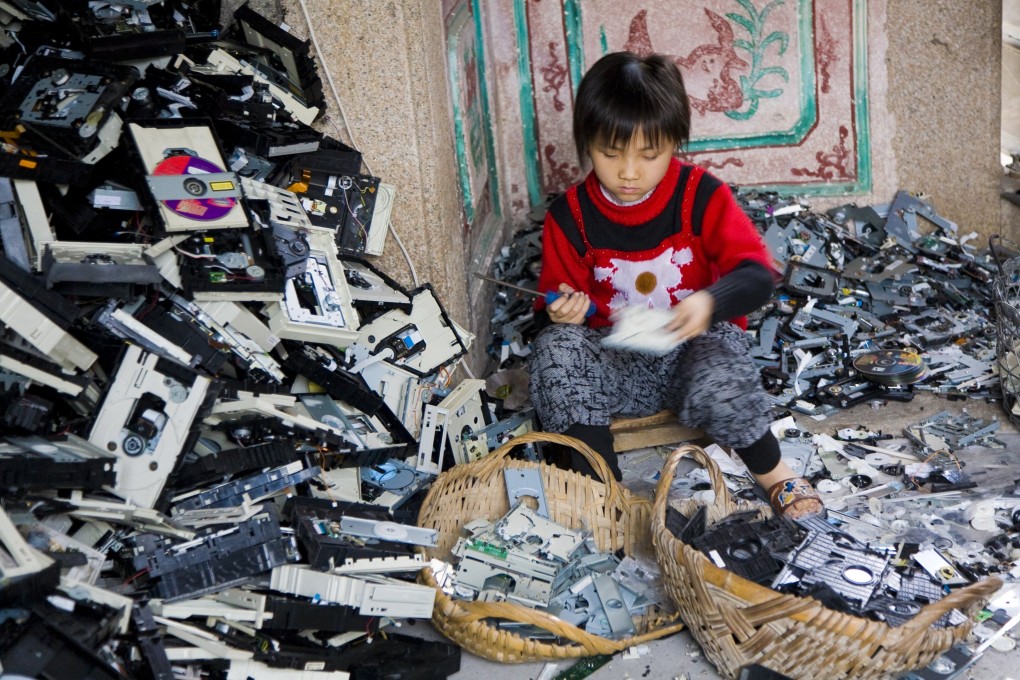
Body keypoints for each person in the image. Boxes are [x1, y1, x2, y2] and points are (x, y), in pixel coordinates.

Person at [528, 51, 822, 519]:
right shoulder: (569, 217)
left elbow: (756, 275)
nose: (629, 172)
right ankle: (605, 494)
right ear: (587, 143)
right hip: (616, 364)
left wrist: (709, 302)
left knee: (721, 365)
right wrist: (563, 309)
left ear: (674, 144)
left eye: (649, 155)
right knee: (555, 350)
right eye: (610, 153)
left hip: (694, 352)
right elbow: (554, 301)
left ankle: (776, 475)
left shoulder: (701, 195)